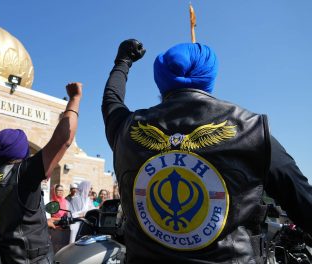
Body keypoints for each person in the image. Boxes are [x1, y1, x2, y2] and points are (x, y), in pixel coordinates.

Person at [101, 39, 312, 263]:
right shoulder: (253, 130)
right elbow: (305, 205)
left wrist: (123, 62)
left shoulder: (126, 129)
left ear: (160, 80)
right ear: (210, 76)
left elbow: (111, 100)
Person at [0, 82, 82, 264]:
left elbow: (17, 215)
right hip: (30, 259)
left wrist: (46, 222)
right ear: (23, 152)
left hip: (4, 255)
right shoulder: (23, 173)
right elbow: (63, 139)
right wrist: (74, 99)